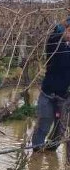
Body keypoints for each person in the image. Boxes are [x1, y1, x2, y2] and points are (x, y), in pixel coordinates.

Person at [31, 21, 70, 150]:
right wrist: (60, 29)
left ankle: (51, 150)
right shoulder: (55, 45)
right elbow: (52, 38)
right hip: (48, 92)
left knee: (60, 127)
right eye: (69, 31)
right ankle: (36, 150)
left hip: (64, 96)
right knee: (44, 121)